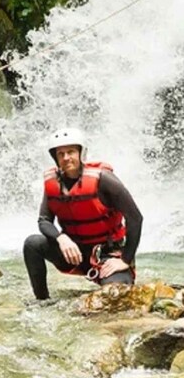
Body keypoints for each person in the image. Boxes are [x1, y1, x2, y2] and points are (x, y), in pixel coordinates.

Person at [23, 128, 143, 300]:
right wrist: (61, 238)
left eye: (71, 152)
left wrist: (125, 259)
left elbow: (135, 218)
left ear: (81, 153)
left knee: (115, 297)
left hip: (107, 255)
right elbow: (44, 221)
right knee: (32, 243)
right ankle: (42, 301)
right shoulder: (53, 183)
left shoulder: (104, 180)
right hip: (74, 253)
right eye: (61, 154)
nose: (66, 158)